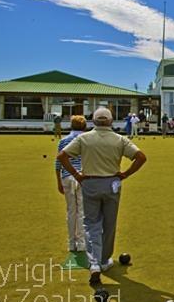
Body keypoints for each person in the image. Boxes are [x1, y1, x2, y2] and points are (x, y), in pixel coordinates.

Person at [57, 107, 147, 286]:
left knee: (91, 224)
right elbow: (141, 157)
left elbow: (62, 156)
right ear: (111, 122)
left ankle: (95, 264)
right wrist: (125, 174)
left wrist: (76, 174)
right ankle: (104, 260)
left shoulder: (84, 138)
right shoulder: (119, 139)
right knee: (109, 223)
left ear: (94, 121)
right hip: (111, 184)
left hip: (90, 182)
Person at [55, 115, 87, 253]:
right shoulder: (87, 140)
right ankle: (81, 243)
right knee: (82, 212)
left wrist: (58, 181)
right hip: (82, 177)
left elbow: (58, 163)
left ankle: (71, 244)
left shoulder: (64, 141)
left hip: (67, 176)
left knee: (71, 211)